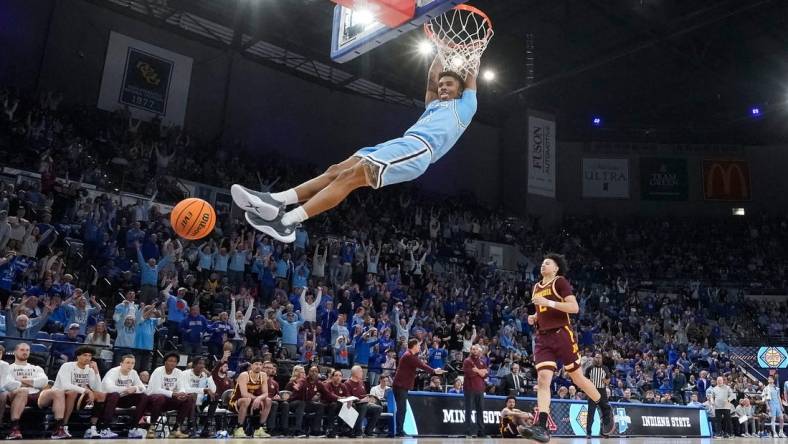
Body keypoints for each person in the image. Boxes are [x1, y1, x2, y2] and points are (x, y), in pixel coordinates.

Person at [232, 55, 480, 243]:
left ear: (459, 90)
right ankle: (275, 201)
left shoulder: (465, 107)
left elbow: (471, 76)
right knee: (336, 170)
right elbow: (431, 78)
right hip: (400, 143)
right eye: (442, 85)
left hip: (418, 150)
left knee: (350, 178)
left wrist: (472, 52)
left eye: (449, 84)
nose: (443, 87)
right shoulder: (433, 105)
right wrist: (440, 50)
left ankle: (287, 222)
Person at [519, 254, 614, 443]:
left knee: (577, 378)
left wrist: (549, 303)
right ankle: (542, 427)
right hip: (543, 338)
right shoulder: (536, 287)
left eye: (548, 263)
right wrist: (534, 318)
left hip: (562, 334)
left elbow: (574, 307)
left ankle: (604, 407)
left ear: (555, 269)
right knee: (543, 379)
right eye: (542, 262)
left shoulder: (560, 282)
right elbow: (543, 313)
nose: (543, 264)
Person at [3, 342, 68, 439]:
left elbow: (43, 381)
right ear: (15, 352)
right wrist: (31, 383)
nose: (25, 352)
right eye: (22, 350)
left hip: (36, 395)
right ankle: (14, 429)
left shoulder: (36, 368)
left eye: (27, 350)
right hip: (16, 395)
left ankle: (59, 429)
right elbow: (9, 384)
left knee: (58, 391)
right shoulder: (8, 368)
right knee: (23, 391)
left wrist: (20, 380)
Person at [53, 346, 114, 438]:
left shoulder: (89, 369)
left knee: (101, 395)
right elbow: (66, 385)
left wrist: (96, 371)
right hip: (61, 395)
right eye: (85, 355)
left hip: (79, 396)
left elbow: (97, 388)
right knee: (72, 393)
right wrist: (87, 391)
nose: (88, 358)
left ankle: (92, 428)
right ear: (77, 356)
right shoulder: (67, 366)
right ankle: (63, 426)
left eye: (90, 356)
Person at [392, 338, 445, 437]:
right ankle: (399, 431)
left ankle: (399, 430)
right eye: (418, 345)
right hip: (400, 386)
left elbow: (419, 363)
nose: (420, 347)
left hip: (402, 386)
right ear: (414, 346)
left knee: (402, 409)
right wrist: (434, 371)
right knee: (402, 409)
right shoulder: (408, 356)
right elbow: (421, 365)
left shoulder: (411, 355)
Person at [146, 352, 194, 438]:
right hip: (153, 399)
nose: (172, 363)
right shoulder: (158, 371)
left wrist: (182, 394)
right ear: (165, 362)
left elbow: (181, 387)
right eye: (170, 361)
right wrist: (173, 394)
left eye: (175, 361)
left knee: (189, 399)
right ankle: (151, 427)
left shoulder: (179, 372)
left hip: (169, 399)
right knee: (160, 398)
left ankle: (176, 429)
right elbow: (156, 389)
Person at [101, 354, 149, 439]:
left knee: (143, 397)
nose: (130, 365)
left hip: (124, 399)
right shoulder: (113, 372)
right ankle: (105, 429)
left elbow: (143, 388)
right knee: (114, 395)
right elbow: (109, 388)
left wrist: (134, 388)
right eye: (127, 362)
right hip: (108, 399)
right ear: (121, 364)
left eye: (132, 363)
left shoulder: (133, 373)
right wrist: (126, 389)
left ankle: (133, 428)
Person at [229, 356, 272, 438]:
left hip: (253, 401)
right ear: (251, 366)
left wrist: (259, 398)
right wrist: (257, 399)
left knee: (268, 400)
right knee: (246, 400)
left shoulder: (263, 375)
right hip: (236, 402)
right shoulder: (244, 375)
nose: (258, 366)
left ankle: (259, 428)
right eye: (256, 364)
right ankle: (239, 428)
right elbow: (244, 394)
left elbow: (265, 393)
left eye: (260, 364)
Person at [181, 356, 219, 437]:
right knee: (192, 395)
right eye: (199, 363)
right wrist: (204, 390)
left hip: (200, 401)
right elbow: (186, 389)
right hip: (186, 401)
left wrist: (209, 376)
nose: (202, 366)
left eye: (203, 364)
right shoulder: (185, 373)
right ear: (194, 365)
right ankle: (190, 426)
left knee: (215, 396)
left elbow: (213, 390)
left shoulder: (205, 375)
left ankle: (206, 427)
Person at [285, 365, 326, 438]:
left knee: (319, 405)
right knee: (301, 403)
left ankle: (315, 430)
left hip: (304, 403)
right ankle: (298, 430)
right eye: (302, 372)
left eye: (304, 372)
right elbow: (286, 396)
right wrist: (297, 387)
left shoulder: (308, 381)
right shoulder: (292, 383)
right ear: (296, 373)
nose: (304, 374)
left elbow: (326, 393)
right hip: (291, 403)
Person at [345, 365, 383, 437]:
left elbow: (363, 394)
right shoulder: (347, 383)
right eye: (361, 371)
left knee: (378, 408)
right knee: (363, 406)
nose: (362, 373)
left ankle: (369, 431)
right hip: (355, 405)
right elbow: (348, 398)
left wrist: (369, 398)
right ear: (356, 373)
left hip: (364, 403)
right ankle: (357, 431)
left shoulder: (361, 382)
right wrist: (360, 400)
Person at [463, 344, 488, 437]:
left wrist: (477, 370)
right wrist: (480, 372)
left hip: (480, 389)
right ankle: (468, 432)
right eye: (473, 349)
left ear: (479, 351)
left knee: (480, 410)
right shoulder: (467, 361)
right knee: (468, 410)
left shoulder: (483, 361)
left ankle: (481, 432)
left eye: (476, 349)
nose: (474, 351)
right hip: (469, 389)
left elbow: (485, 375)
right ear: (470, 350)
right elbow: (469, 374)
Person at [583, 352, 610, 437]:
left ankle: (603, 431)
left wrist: (605, 381)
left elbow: (608, 380)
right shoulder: (589, 368)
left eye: (599, 358)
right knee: (591, 413)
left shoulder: (605, 368)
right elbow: (585, 380)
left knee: (606, 411)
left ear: (602, 359)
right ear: (594, 358)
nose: (598, 359)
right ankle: (589, 433)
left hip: (602, 392)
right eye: (596, 357)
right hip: (592, 392)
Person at [262, 360, 290, 436]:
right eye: (267, 367)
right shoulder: (259, 379)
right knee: (274, 403)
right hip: (262, 401)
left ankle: (284, 428)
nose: (269, 369)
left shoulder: (275, 383)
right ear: (262, 368)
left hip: (272, 401)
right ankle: (271, 428)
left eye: (270, 368)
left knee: (285, 404)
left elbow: (277, 395)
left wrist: (278, 396)